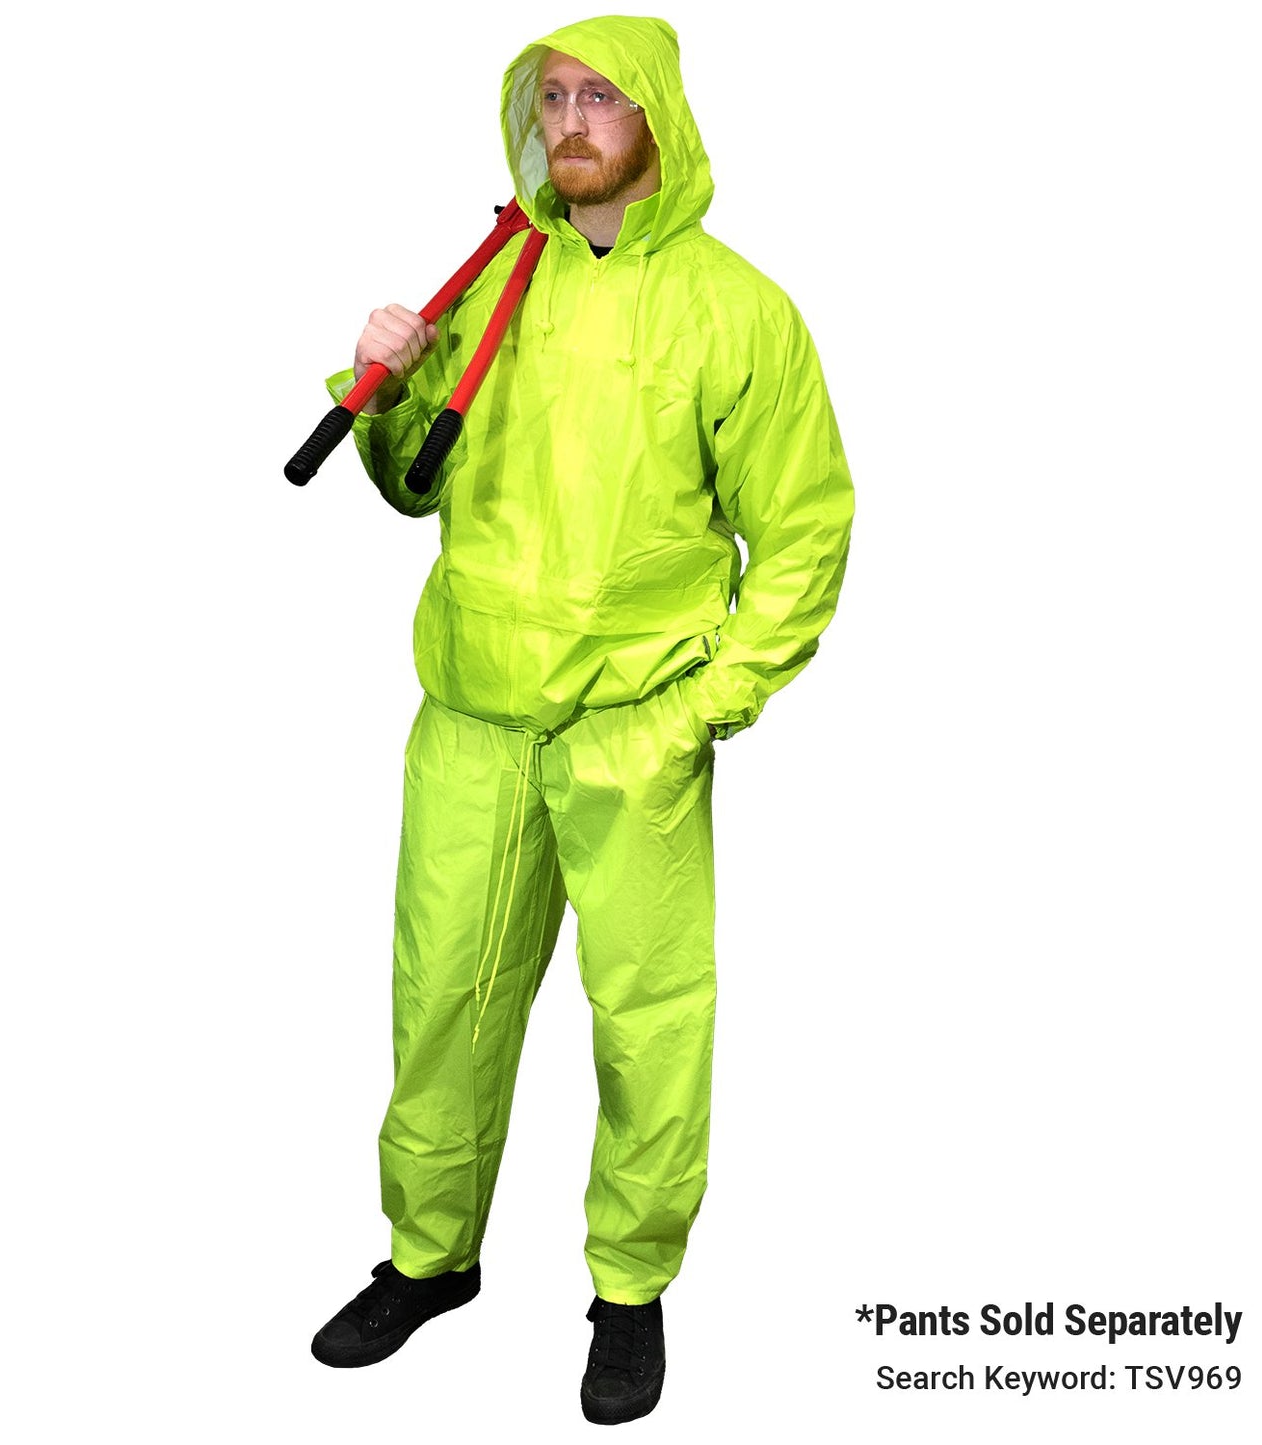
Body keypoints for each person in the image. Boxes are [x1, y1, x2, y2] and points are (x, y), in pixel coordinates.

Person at [308, 14, 853, 1426]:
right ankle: (427, 1259)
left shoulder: (737, 311)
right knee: (441, 1004)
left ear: (656, 114)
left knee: (646, 1023)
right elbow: (412, 484)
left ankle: (629, 1288)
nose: (569, 120)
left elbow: (802, 531)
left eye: (600, 95)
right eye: (550, 96)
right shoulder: (495, 281)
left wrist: (705, 706)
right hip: (472, 721)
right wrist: (382, 381)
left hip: (631, 732)